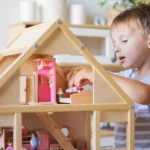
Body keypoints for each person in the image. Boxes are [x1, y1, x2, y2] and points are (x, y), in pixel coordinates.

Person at [65, 4, 150, 149]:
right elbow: (107, 84)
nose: (116, 48)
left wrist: (97, 74)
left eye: (123, 40)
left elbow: (143, 94)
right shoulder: (128, 75)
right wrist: (84, 75)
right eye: (114, 43)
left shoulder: (134, 82)